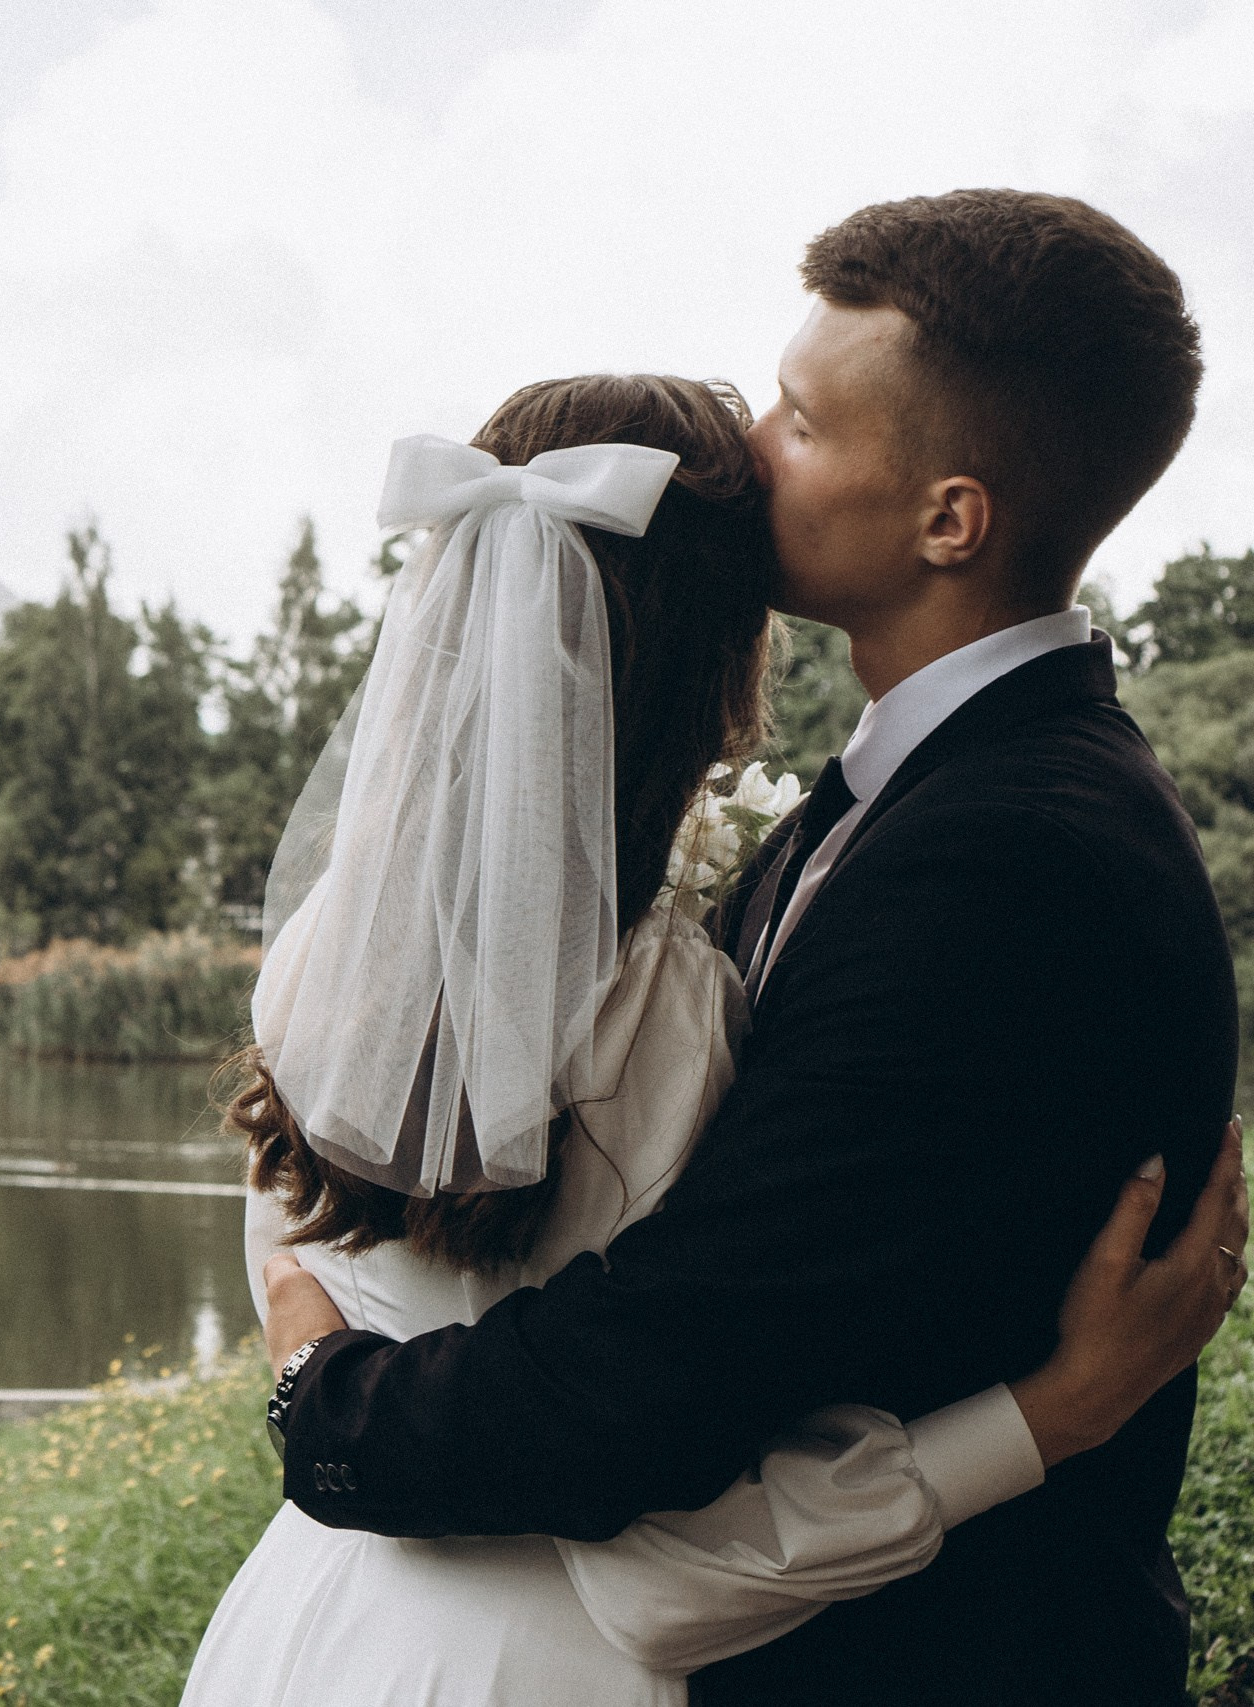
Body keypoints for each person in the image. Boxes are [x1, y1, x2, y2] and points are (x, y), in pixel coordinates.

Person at [249, 190, 1242, 1706]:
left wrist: (328, 1401)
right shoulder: (903, 796)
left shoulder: (1015, 855)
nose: (751, 453)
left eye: (802, 418)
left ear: (950, 519)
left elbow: (666, 1365)